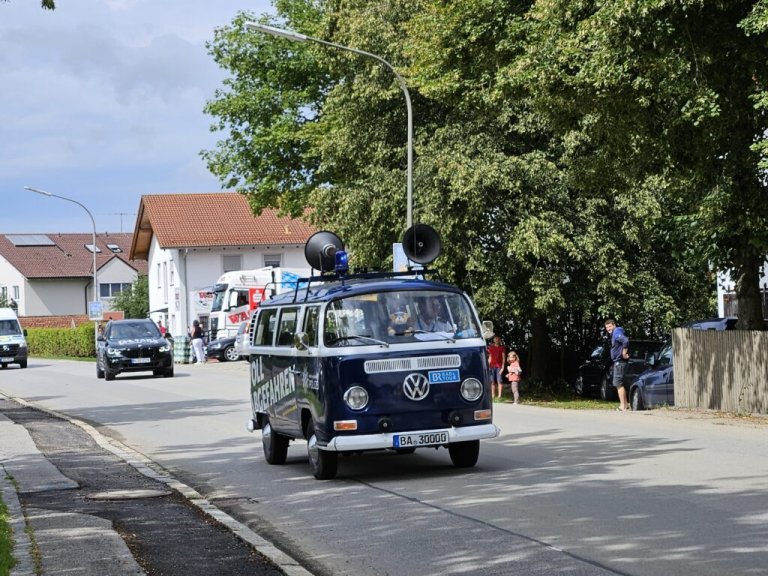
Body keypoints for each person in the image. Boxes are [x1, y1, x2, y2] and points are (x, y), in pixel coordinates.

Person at [604, 318, 630, 411]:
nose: (608, 329)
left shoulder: (616, 332)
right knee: (620, 383)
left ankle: (622, 406)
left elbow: (625, 341)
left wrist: (623, 353)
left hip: (620, 362)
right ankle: (625, 405)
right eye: (607, 327)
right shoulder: (616, 332)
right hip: (619, 362)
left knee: (618, 384)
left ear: (614, 325)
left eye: (610, 326)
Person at [487, 335, 506, 400]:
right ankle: (493, 395)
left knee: (499, 381)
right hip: (491, 366)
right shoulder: (491, 347)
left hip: (499, 367)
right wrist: (487, 365)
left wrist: (503, 367)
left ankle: (499, 396)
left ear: (499, 340)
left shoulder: (502, 348)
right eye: (495, 339)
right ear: (494, 340)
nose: (496, 340)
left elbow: (503, 358)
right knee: (492, 381)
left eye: (498, 339)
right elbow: (490, 357)